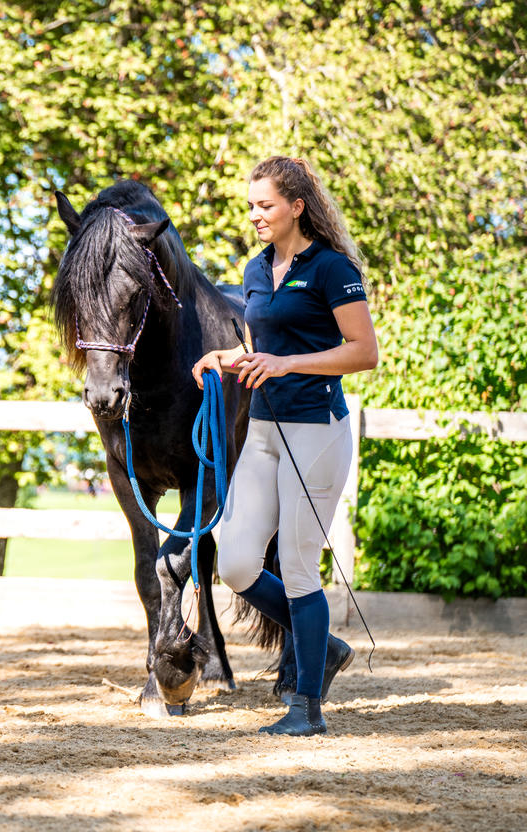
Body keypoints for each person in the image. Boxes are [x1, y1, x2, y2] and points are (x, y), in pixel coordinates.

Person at [192, 156, 379, 736]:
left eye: (265, 205)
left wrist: (287, 363)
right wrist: (226, 359)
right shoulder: (254, 270)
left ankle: (306, 708)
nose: (255, 215)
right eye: (251, 205)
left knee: (298, 568)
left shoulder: (331, 269)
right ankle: (322, 647)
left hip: (316, 431)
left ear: (297, 206)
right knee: (239, 561)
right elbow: (260, 348)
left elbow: (363, 351)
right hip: (265, 434)